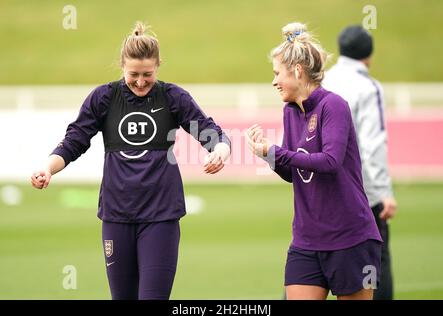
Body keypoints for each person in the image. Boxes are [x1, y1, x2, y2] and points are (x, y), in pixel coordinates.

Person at [30, 22, 231, 300]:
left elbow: (213, 134)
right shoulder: (104, 98)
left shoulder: (173, 97)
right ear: (122, 66)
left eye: (147, 74)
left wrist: (219, 151)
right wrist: (47, 168)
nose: (140, 82)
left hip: (161, 216)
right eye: (133, 74)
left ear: (158, 66)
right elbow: (75, 140)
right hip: (116, 215)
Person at [245, 22, 382, 300]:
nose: (273, 82)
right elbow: (294, 171)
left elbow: (330, 161)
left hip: (350, 238)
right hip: (306, 241)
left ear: (297, 71)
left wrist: (278, 152)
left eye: (276, 74)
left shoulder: (334, 105)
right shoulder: (289, 111)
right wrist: (268, 154)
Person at [322, 25, 397, 300]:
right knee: (375, 264)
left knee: (311, 257)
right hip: (360, 191)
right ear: (369, 55)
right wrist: (383, 193)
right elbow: (372, 145)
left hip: (321, 188)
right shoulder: (368, 87)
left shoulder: (322, 80)